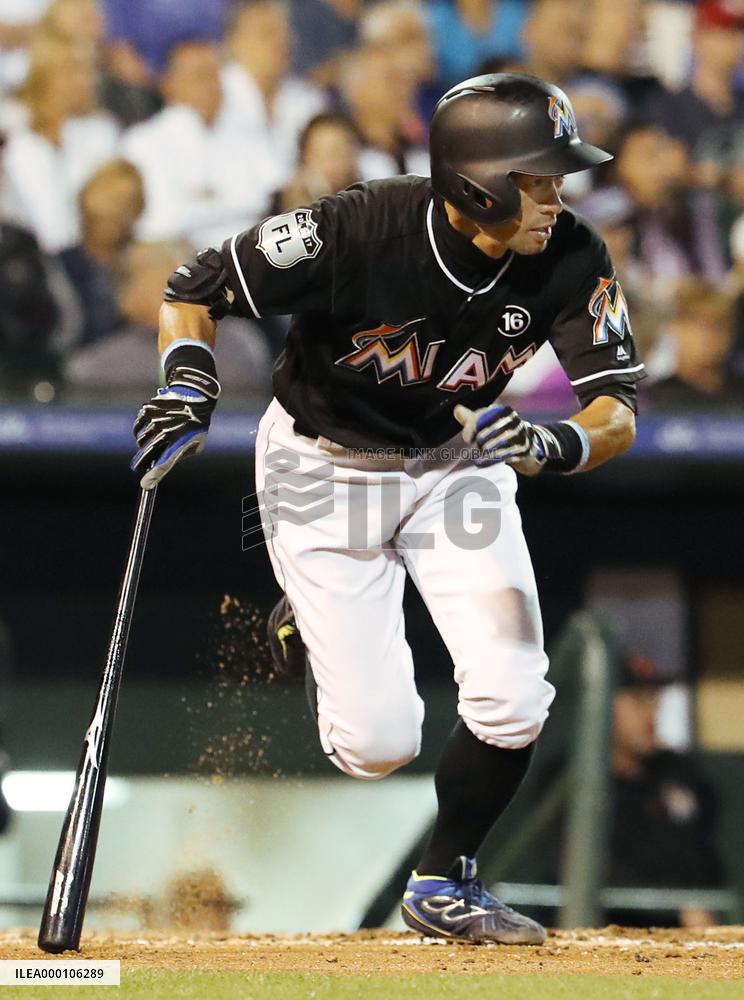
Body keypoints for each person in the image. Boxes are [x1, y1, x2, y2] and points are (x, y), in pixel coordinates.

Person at [130, 73, 645, 945]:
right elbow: (193, 285)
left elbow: (617, 411)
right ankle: (305, 621)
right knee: (378, 744)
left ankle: (444, 880)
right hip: (321, 469)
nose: (556, 196)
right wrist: (188, 379)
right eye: (537, 178)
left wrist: (561, 443)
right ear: (476, 179)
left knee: (517, 696)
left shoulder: (572, 255)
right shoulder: (356, 226)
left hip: (457, 465)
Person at [121, 41, 274, 248]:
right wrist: (235, 202)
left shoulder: (247, 132)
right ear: (169, 84)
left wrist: (202, 200)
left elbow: (270, 201)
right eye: (199, 76)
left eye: (215, 75)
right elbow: (158, 222)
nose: (212, 85)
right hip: (182, 262)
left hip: (254, 254)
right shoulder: (143, 142)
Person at [646, 279, 744, 410]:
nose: (709, 335)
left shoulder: (739, 390)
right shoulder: (652, 399)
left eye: (718, 324)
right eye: (698, 325)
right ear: (675, 328)